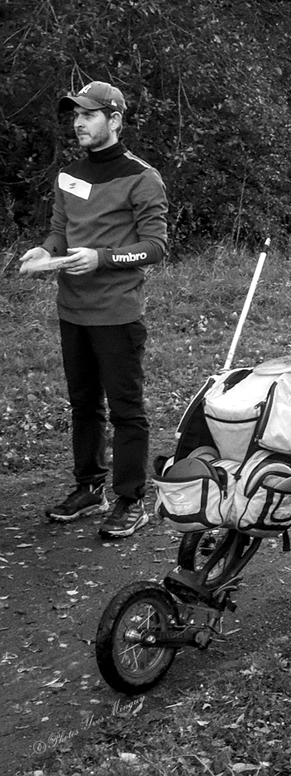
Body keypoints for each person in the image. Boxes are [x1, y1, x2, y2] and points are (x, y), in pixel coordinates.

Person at [20, 81, 168, 539]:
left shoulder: (143, 177)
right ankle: (89, 488)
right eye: (75, 115)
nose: (79, 123)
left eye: (88, 115)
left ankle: (130, 500)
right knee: (83, 404)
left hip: (117, 313)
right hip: (72, 311)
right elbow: (60, 232)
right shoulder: (69, 174)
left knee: (126, 410)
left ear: (115, 120)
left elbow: (155, 247)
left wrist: (102, 258)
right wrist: (44, 252)